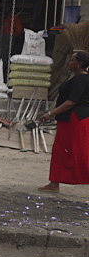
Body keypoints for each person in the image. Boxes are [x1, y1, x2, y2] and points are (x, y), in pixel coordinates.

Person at [38, 50, 89, 193]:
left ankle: (55, 182)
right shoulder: (79, 78)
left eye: (72, 60)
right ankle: (54, 182)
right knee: (61, 151)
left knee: (79, 152)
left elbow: (72, 101)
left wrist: (50, 113)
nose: (69, 62)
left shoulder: (80, 80)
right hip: (71, 119)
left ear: (80, 64)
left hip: (75, 120)